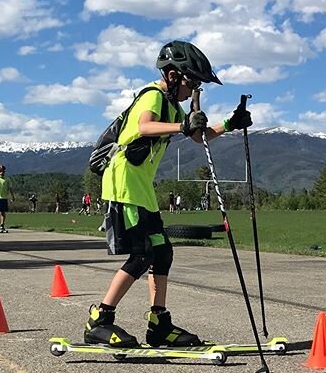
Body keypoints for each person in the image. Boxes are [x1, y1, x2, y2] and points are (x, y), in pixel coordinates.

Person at [83, 40, 253, 348]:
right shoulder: (153, 96)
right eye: (192, 82)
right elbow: (145, 127)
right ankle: (99, 320)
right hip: (124, 185)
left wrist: (230, 122)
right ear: (174, 76)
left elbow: (200, 137)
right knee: (142, 254)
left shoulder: (172, 106)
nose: (194, 90)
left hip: (141, 189)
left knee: (162, 252)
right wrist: (181, 124)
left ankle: (159, 323)